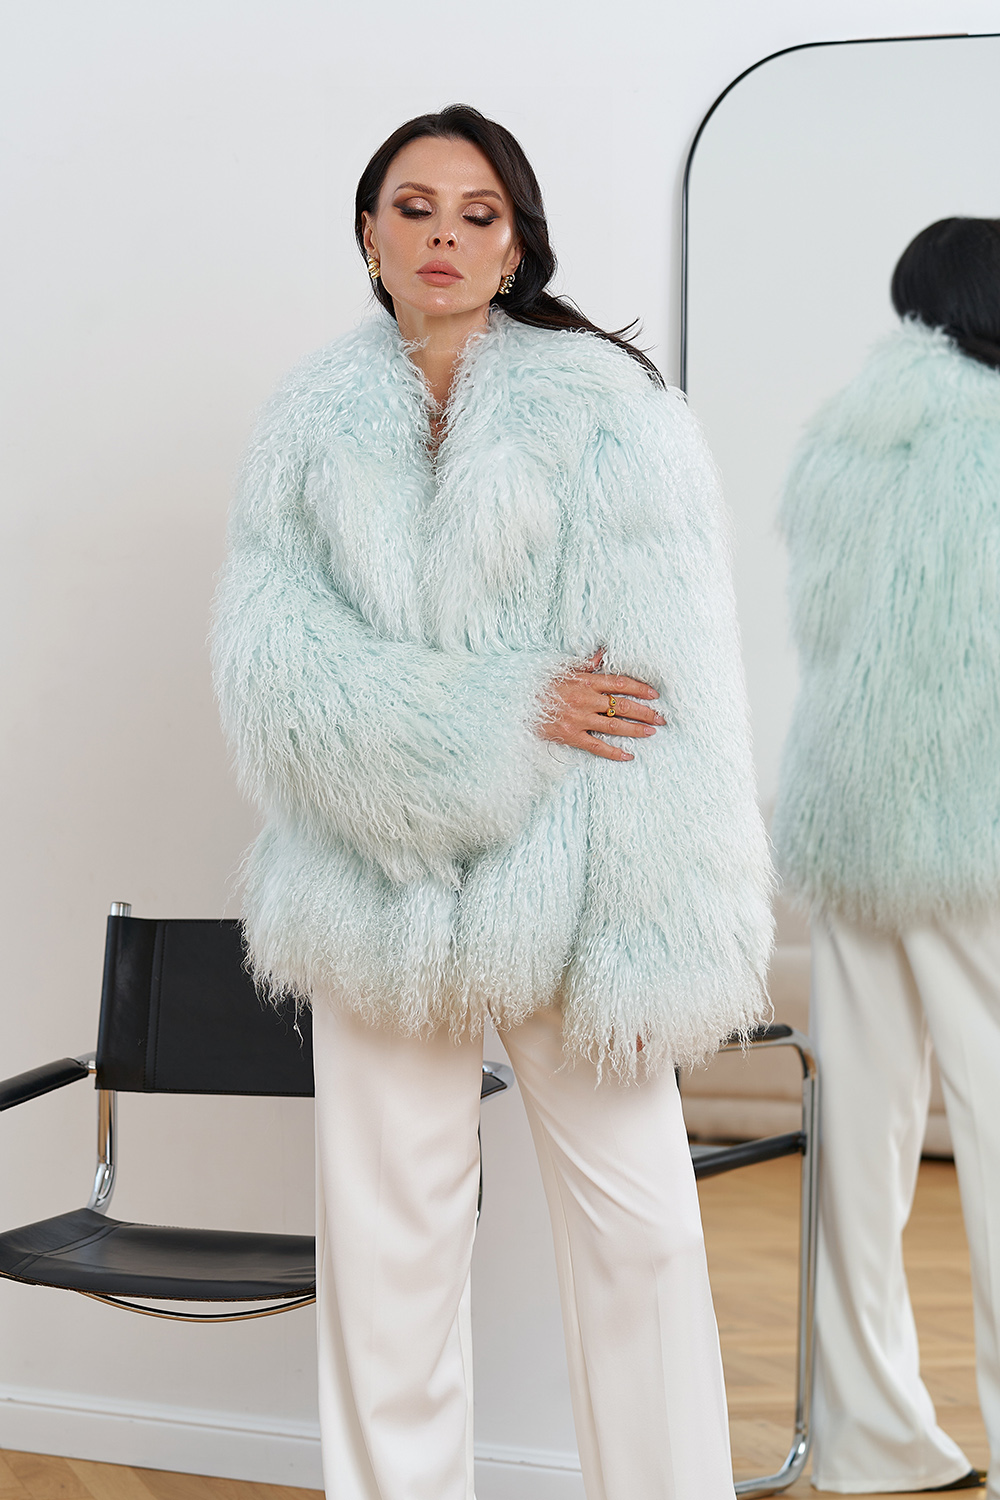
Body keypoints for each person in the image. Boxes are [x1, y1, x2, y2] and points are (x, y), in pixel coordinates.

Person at [213, 104, 773, 1500]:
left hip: (571, 879)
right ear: (368, 234)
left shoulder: (612, 416)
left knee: (644, 1236)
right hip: (372, 885)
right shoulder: (307, 423)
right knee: (387, 1257)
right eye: (414, 209)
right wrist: (505, 711)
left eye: (478, 214)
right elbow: (279, 680)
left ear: (517, 244)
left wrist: (656, 937)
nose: (444, 237)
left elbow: (670, 703)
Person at [773, 217, 1000, 1496]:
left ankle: (871, 1440)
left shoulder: (841, 441)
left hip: (847, 816)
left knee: (857, 1144)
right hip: (973, 827)